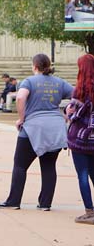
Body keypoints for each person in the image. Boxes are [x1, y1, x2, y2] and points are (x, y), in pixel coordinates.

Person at [0, 54, 73, 211]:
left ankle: (14, 201)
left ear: (34, 66)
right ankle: (45, 203)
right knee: (48, 166)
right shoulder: (59, 82)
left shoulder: (29, 81)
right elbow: (77, 95)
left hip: (33, 127)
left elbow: (20, 98)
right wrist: (68, 111)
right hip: (55, 127)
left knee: (20, 165)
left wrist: (21, 118)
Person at [65, 54, 94, 224]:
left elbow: (71, 113)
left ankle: (90, 212)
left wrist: (68, 111)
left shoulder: (79, 90)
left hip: (80, 139)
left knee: (82, 175)